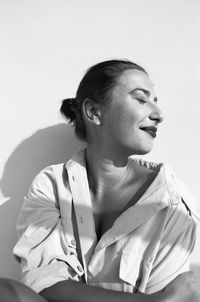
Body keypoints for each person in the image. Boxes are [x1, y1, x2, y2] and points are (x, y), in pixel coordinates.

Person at [0, 59, 199, 302]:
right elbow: (43, 283)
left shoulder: (172, 202)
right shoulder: (51, 186)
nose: (159, 115)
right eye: (141, 99)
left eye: (155, 102)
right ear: (94, 112)